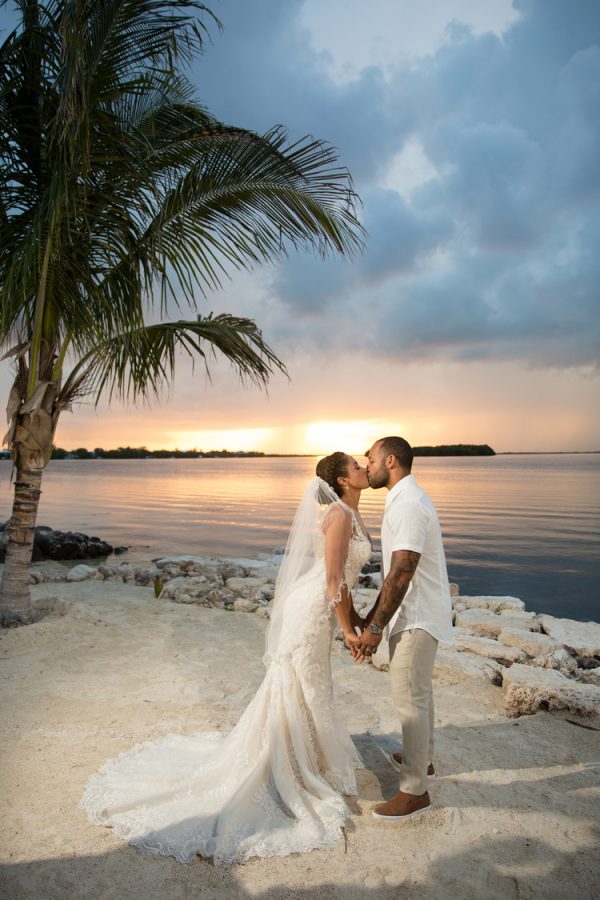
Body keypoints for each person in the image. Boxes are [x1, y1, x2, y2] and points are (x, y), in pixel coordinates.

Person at [80, 453, 371, 864]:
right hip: (311, 610)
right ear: (343, 480)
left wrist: (354, 619)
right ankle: (290, 763)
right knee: (300, 682)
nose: (365, 469)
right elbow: (331, 579)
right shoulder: (340, 516)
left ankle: (308, 757)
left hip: (321, 608)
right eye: (358, 466)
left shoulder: (352, 513)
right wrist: (347, 628)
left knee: (312, 684)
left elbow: (343, 579)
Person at [356, 436, 453, 822]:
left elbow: (402, 571)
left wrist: (376, 627)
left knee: (409, 698)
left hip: (416, 616)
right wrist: (372, 615)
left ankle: (414, 792)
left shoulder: (409, 503)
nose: (367, 466)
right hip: (413, 612)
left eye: (371, 460)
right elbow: (393, 575)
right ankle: (423, 759)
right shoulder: (402, 498)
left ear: (391, 461)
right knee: (420, 692)